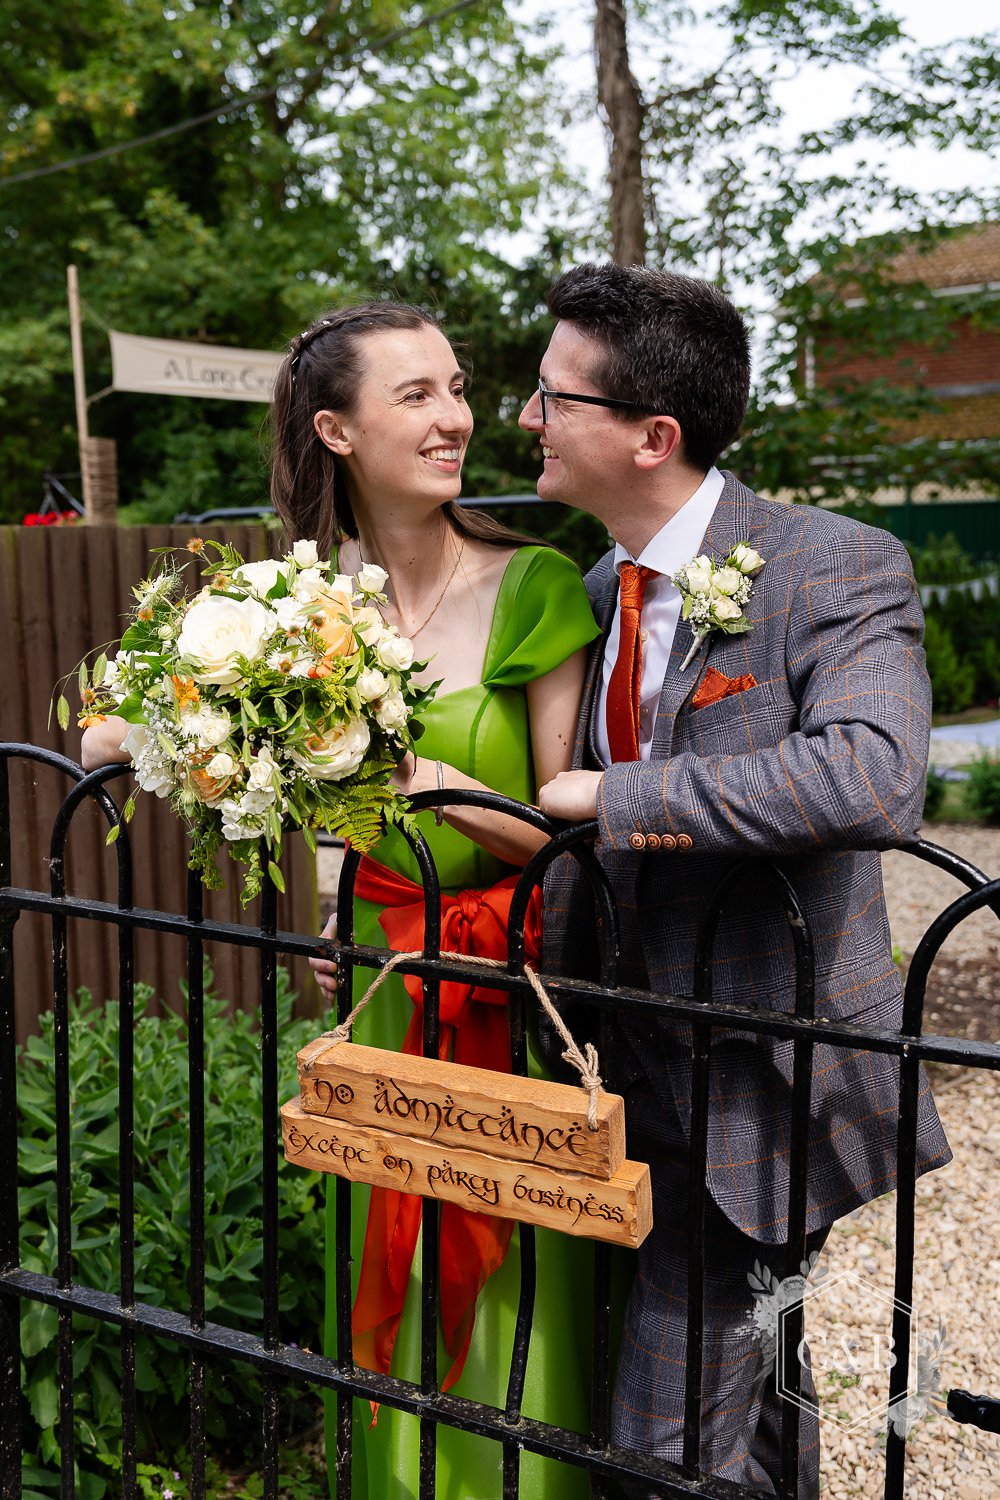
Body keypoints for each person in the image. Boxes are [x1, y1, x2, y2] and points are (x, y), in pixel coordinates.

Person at [519, 263, 952, 1497]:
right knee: (754, 1395)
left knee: (660, 1449)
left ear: (651, 437)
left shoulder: (832, 565)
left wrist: (622, 795)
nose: (526, 420)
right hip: (626, 1062)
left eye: (552, 397)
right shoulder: (601, 587)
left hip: (765, 1077)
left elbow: (872, 780)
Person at [277, 303, 601, 1499]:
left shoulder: (535, 583)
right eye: (415, 394)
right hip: (378, 990)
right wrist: (331, 921)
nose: (457, 415)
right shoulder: (308, 612)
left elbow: (568, 840)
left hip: (507, 993)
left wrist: (429, 778)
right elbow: (336, 821)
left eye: (457, 386)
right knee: (386, 1277)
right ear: (337, 430)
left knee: (513, 1307)